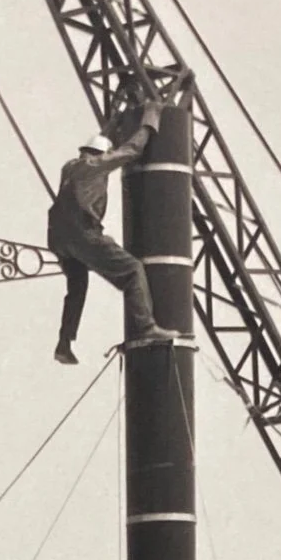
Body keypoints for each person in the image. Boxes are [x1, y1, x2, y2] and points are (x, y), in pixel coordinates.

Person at [49, 102, 169, 365]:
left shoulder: (70, 166)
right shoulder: (96, 165)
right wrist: (150, 119)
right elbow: (132, 150)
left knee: (77, 288)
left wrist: (113, 124)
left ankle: (64, 343)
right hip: (83, 234)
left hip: (58, 239)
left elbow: (103, 145)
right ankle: (147, 327)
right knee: (132, 270)